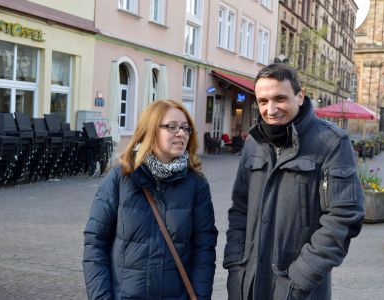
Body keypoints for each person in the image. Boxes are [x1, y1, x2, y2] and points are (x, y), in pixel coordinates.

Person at [223, 63, 365, 300]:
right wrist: (236, 266)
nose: (271, 109)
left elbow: (342, 218)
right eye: (263, 101)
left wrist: (299, 279)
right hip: (248, 284)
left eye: (280, 98)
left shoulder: (331, 143)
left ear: (300, 96)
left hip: (299, 290)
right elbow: (239, 210)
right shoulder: (253, 143)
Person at [83, 99, 218, 299]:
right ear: (150, 130)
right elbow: (95, 243)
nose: (181, 133)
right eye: (171, 127)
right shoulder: (121, 177)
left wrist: (200, 296)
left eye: (185, 128)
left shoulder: (196, 184)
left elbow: (204, 250)